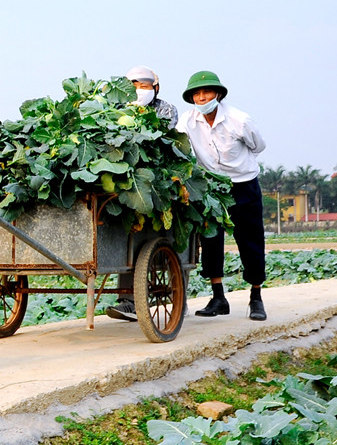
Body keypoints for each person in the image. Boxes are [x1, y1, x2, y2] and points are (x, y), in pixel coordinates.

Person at [177, 70, 268, 321]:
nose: (202, 97)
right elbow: (179, 147)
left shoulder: (239, 120)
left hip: (243, 185)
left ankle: (256, 298)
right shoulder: (187, 121)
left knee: (250, 240)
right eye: (197, 94)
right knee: (211, 239)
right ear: (192, 98)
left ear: (218, 94)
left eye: (207, 92)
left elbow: (258, 146)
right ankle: (218, 297)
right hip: (211, 188)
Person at [106, 66, 179, 322]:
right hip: (126, 176)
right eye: (134, 85)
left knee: (153, 236)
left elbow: (161, 135)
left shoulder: (166, 109)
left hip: (157, 175)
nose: (139, 90)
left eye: (145, 85)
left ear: (155, 88)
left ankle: (175, 294)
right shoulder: (115, 110)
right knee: (130, 235)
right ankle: (127, 301)